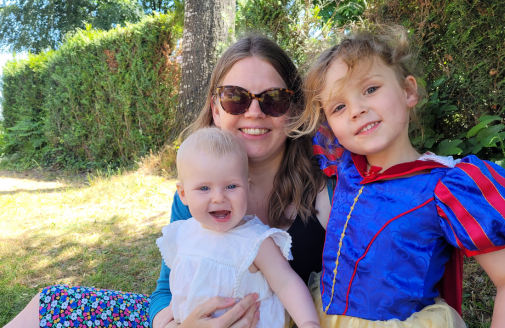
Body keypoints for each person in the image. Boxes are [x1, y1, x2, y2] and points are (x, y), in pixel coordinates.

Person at [6, 35, 330, 328]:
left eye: (273, 98)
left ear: (294, 109)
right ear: (216, 109)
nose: (254, 112)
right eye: (236, 98)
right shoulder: (195, 190)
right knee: (51, 306)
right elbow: (165, 289)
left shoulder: (325, 184)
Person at [292, 26, 505, 328]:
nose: (356, 110)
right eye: (339, 106)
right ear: (330, 124)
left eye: (370, 89)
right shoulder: (344, 165)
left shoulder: (444, 188)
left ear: (408, 91)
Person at [157, 127, 321, 328]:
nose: (219, 198)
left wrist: (308, 322)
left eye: (231, 186)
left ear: (247, 185)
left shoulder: (255, 240)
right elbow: (178, 284)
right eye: (204, 188)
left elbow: (286, 282)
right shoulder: (183, 233)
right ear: (182, 194)